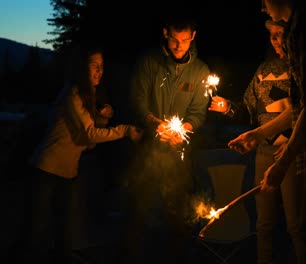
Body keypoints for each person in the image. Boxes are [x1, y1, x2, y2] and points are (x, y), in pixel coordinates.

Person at [228, 0, 306, 263]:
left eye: (265, 1)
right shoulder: (267, 67)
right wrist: (256, 134)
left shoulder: (303, 30)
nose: (262, 6)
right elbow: (297, 107)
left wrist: (285, 158)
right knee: (305, 229)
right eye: (272, 36)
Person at [16, 44, 143, 264]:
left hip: (67, 172)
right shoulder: (72, 93)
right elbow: (90, 134)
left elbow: (87, 143)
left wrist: (103, 119)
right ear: (81, 68)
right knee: (35, 229)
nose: (99, 72)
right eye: (94, 66)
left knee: (63, 230)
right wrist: (123, 130)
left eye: (101, 67)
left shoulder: (88, 96)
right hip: (46, 169)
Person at [209, 18, 305, 264]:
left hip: (293, 153)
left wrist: (292, 143)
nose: (277, 41)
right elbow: (248, 111)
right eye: (272, 35)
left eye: (281, 34)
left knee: (296, 224)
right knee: (264, 223)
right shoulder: (263, 71)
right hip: (264, 152)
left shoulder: (301, 69)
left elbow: (304, 111)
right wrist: (228, 108)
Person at [122, 14, 211, 263]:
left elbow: (198, 113)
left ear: (193, 36)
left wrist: (184, 129)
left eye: (184, 40)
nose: (179, 46)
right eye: (174, 39)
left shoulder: (200, 70)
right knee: (138, 210)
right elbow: (137, 100)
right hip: (146, 152)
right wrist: (154, 124)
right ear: (165, 33)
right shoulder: (149, 63)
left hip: (178, 154)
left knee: (178, 215)